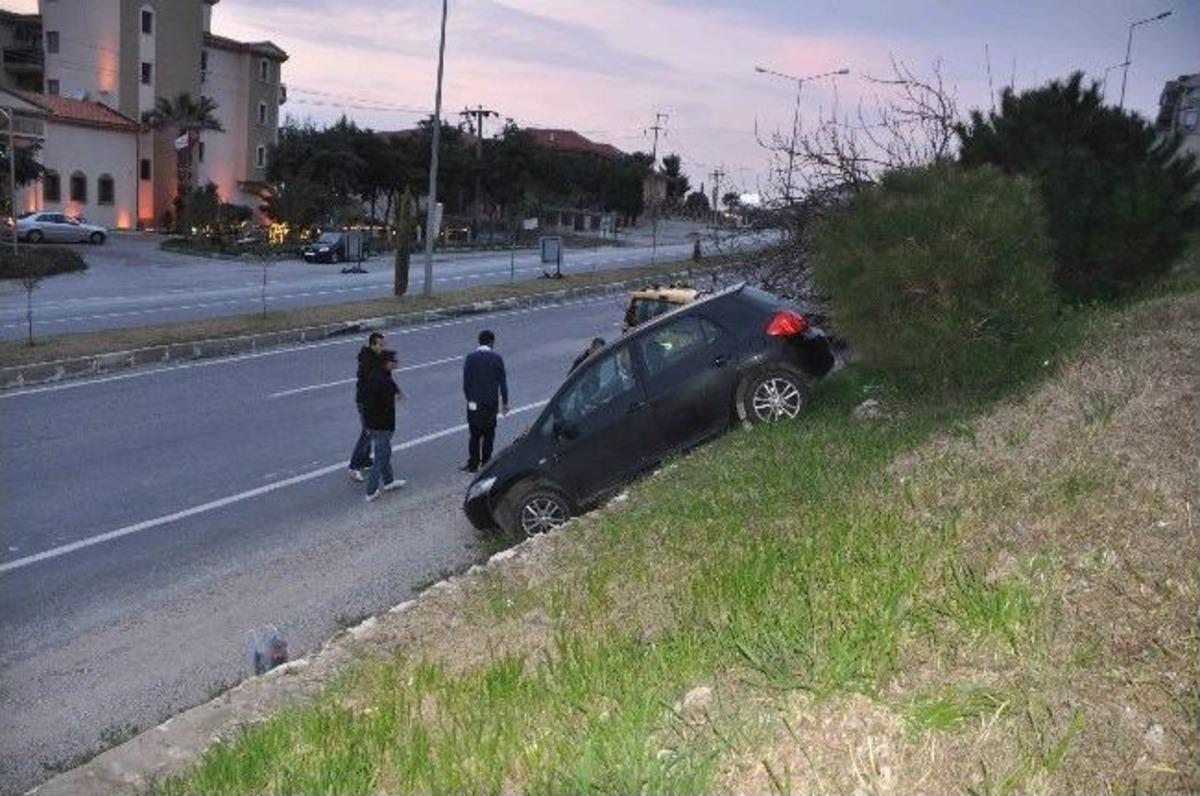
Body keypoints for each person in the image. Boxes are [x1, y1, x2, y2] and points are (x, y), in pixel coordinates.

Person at [461, 329, 509, 473]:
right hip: (490, 402)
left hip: (474, 403)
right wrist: (505, 402)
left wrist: (469, 399)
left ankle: (473, 464)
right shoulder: (497, 358)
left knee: (474, 434)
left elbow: (466, 383)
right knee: (489, 433)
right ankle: (486, 463)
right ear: (491, 342)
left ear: (479, 341)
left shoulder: (470, 358)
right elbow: (502, 383)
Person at [362, 349, 406, 501]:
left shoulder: (379, 374)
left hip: (375, 424)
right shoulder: (382, 381)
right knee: (381, 457)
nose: (397, 363)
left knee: (385, 454)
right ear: (387, 363)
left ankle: (389, 482)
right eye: (394, 361)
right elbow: (384, 405)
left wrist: (397, 391)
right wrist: (394, 396)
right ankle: (370, 491)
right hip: (382, 426)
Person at [348, 332, 385, 481]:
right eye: (380, 345)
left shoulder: (373, 358)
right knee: (368, 432)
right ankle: (354, 466)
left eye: (383, 344)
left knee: (371, 431)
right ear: (372, 345)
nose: (382, 347)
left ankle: (365, 460)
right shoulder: (368, 362)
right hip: (366, 402)